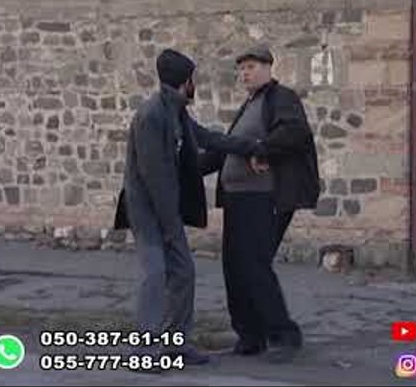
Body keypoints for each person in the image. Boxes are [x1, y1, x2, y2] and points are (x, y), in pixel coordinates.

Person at [113, 48, 265, 371]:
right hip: (146, 211)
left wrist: (252, 147)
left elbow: (208, 139)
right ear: (184, 82)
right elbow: (156, 179)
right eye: (192, 79)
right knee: (156, 274)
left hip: (166, 209)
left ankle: (176, 344)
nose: (195, 85)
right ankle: (143, 351)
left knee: (184, 273)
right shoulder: (151, 115)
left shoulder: (176, 112)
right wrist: (170, 227)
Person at [196, 45, 320, 363]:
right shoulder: (250, 104)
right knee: (235, 269)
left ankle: (284, 336)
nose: (244, 73)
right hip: (237, 200)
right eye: (241, 69)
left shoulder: (281, 98)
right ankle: (250, 337)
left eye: (251, 67)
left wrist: (263, 149)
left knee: (254, 266)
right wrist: (186, 168)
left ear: (267, 67)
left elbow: (295, 133)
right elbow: (229, 149)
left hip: (264, 198)